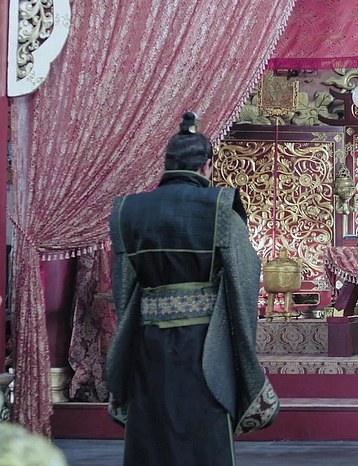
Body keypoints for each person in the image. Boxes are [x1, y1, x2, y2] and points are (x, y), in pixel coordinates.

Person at [106, 112, 279, 466]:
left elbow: (123, 288)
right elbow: (245, 275)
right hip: (204, 344)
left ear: (167, 163)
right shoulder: (218, 207)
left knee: (152, 430)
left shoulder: (129, 210)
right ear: (206, 165)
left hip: (148, 343)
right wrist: (241, 345)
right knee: (203, 432)